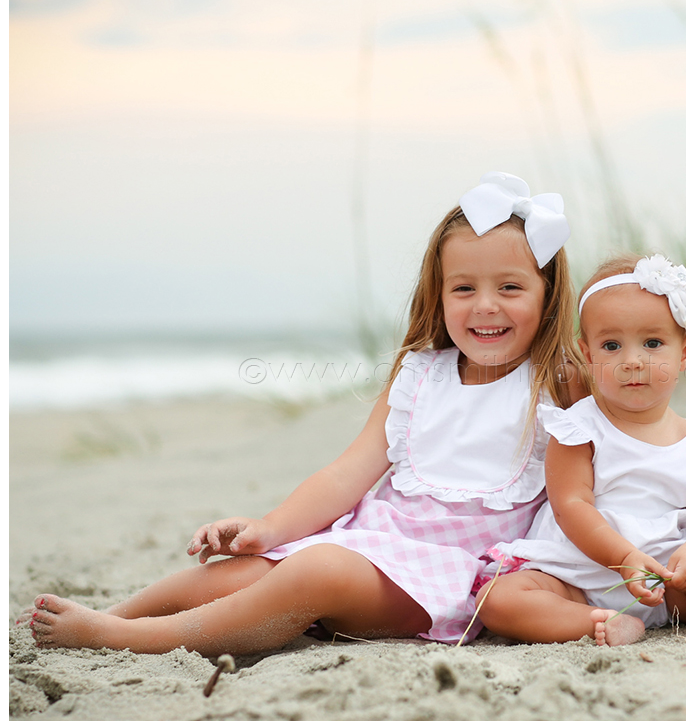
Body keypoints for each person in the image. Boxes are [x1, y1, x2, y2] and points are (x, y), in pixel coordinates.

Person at [20, 171, 587, 656]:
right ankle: (116, 614)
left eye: (510, 287)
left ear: (547, 294)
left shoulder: (558, 381)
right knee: (240, 573)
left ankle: (132, 639)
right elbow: (346, 474)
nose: (485, 306)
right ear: (438, 295)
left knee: (317, 571)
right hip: (368, 544)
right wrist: (269, 528)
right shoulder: (420, 374)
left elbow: (618, 456)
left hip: (444, 580)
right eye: (463, 288)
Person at [477, 252, 686, 647]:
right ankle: (599, 620)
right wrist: (623, 559)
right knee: (498, 599)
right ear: (588, 355)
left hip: (669, 580)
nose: (632, 361)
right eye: (611, 345)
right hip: (580, 575)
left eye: (653, 343)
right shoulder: (579, 428)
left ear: (685, 352)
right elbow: (571, 505)